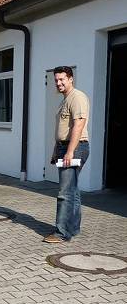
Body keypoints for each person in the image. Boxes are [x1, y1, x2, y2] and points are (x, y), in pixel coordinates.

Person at [44, 66, 90, 244]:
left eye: (62, 79)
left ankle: (62, 233)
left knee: (65, 192)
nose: (58, 83)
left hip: (75, 147)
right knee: (73, 191)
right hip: (66, 147)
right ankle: (73, 228)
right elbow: (63, 129)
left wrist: (70, 151)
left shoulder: (77, 97)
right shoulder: (65, 99)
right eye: (56, 80)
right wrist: (58, 151)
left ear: (71, 79)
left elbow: (78, 126)